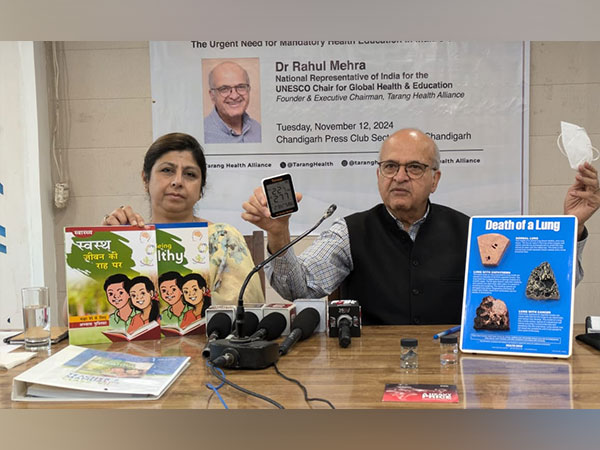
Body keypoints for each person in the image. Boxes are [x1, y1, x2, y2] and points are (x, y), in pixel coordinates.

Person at [242, 128, 600, 325]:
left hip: (452, 364)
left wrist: (574, 226)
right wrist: (279, 234)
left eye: (414, 167)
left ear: (435, 179)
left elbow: (534, 287)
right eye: (389, 166)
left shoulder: (474, 232)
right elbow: (297, 288)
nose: (400, 177)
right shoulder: (348, 231)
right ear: (378, 174)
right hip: (368, 371)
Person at [102, 132, 264, 305]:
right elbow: (70, 318)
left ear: (200, 190)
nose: (177, 181)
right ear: (145, 179)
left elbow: (249, 308)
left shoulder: (223, 239)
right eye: (167, 170)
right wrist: (108, 242)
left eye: (190, 174)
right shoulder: (129, 240)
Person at [203, 61, 261, 144]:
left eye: (241, 87)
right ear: (212, 95)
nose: (234, 96)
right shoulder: (203, 134)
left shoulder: (258, 129)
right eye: (224, 89)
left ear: (248, 90)